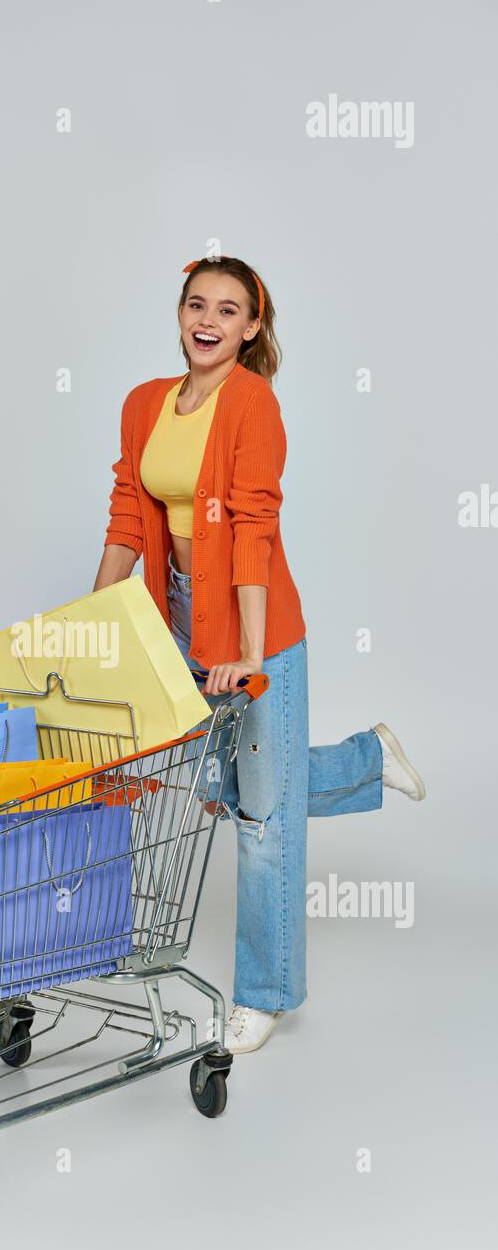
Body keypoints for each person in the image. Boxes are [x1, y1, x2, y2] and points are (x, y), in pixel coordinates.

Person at [93, 254, 425, 1053]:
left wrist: (246, 655)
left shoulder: (253, 404)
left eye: (229, 309)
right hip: (172, 617)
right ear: (180, 315)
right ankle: (360, 759)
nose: (209, 320)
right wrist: (92, 623)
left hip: (251, 624)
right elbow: (127, 517)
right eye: (196, 304)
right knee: (217, 786)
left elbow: (252, 530)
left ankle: (266, 992)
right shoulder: (144, 405)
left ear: (251, 328)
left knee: (261, 817)